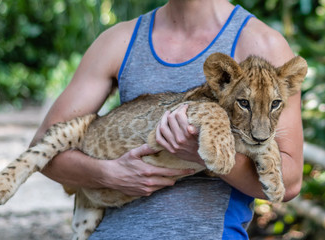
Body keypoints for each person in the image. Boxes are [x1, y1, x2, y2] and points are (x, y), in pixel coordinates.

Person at [31, 0, 304, 239]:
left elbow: (289, 181)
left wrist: (203, 152)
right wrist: (111, 174)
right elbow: (43, 150)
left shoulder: (261, 43)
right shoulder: (119, 41)